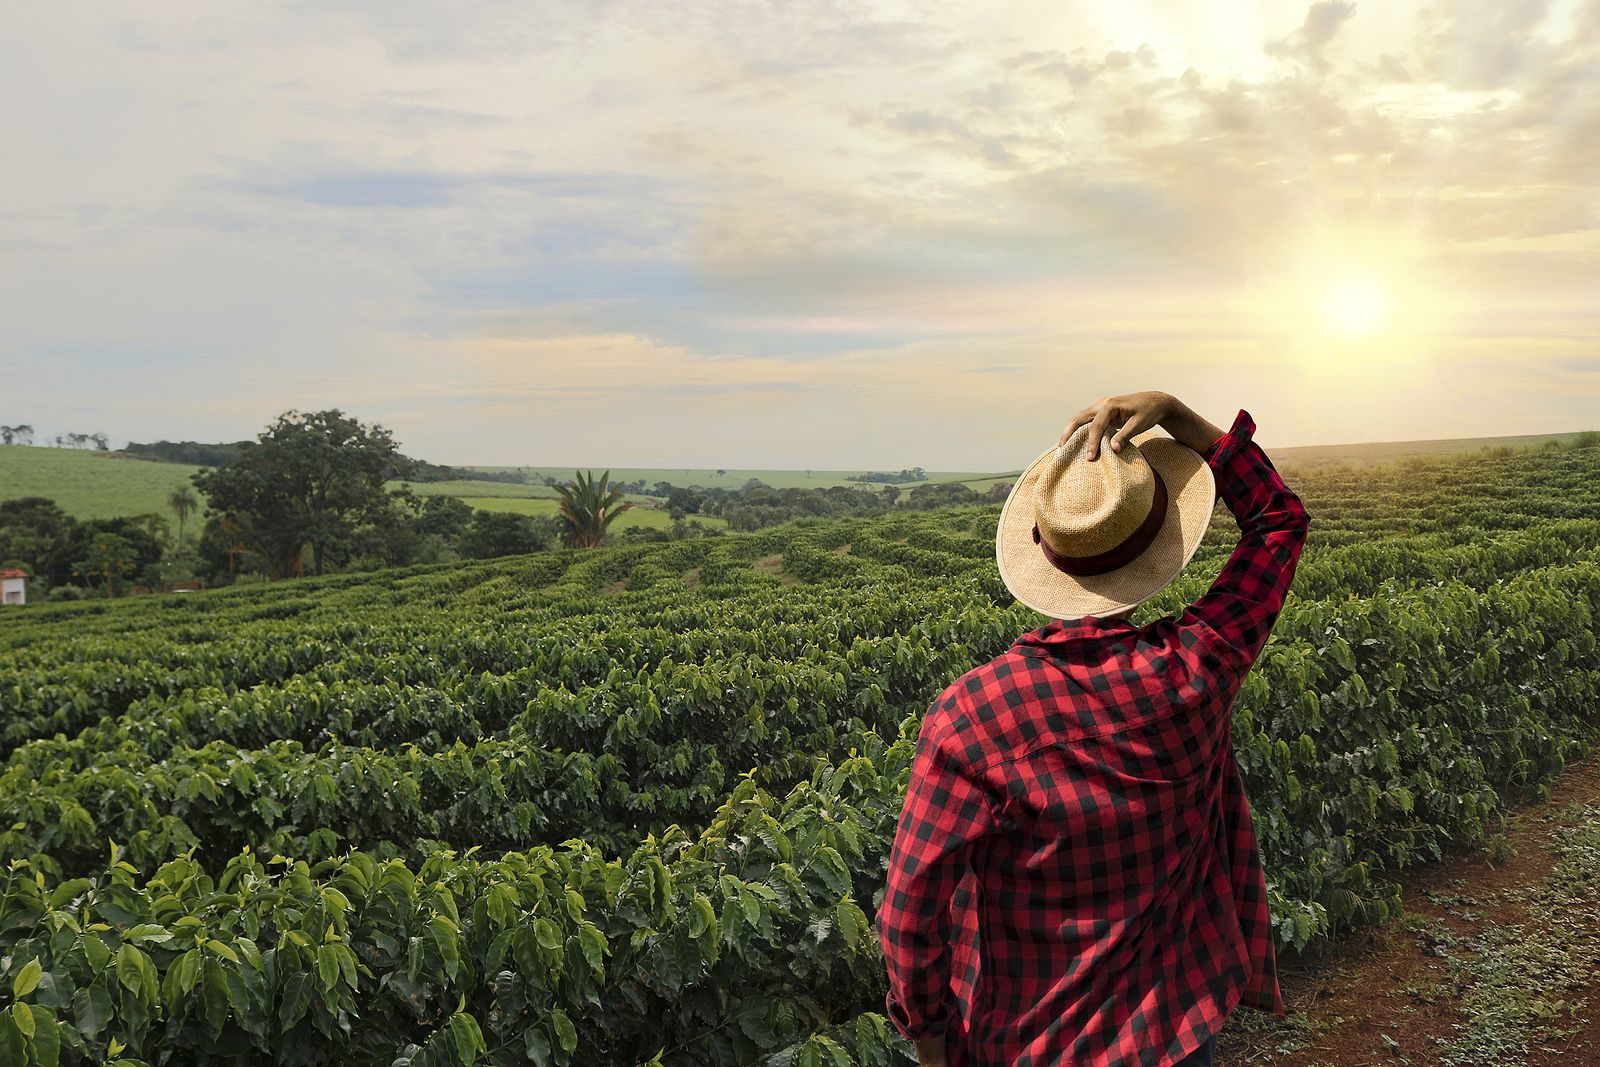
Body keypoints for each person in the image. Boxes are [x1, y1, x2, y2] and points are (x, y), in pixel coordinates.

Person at [875, 390, 1310, 1067]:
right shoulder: (1197, 669)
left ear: (1045, 553)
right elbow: (1278, 521)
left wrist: (933, 1044)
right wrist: (1179, 416)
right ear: (1159, 548)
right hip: (1176, 1025)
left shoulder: (972, 718)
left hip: (1034, 1042)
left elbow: (909, 915)